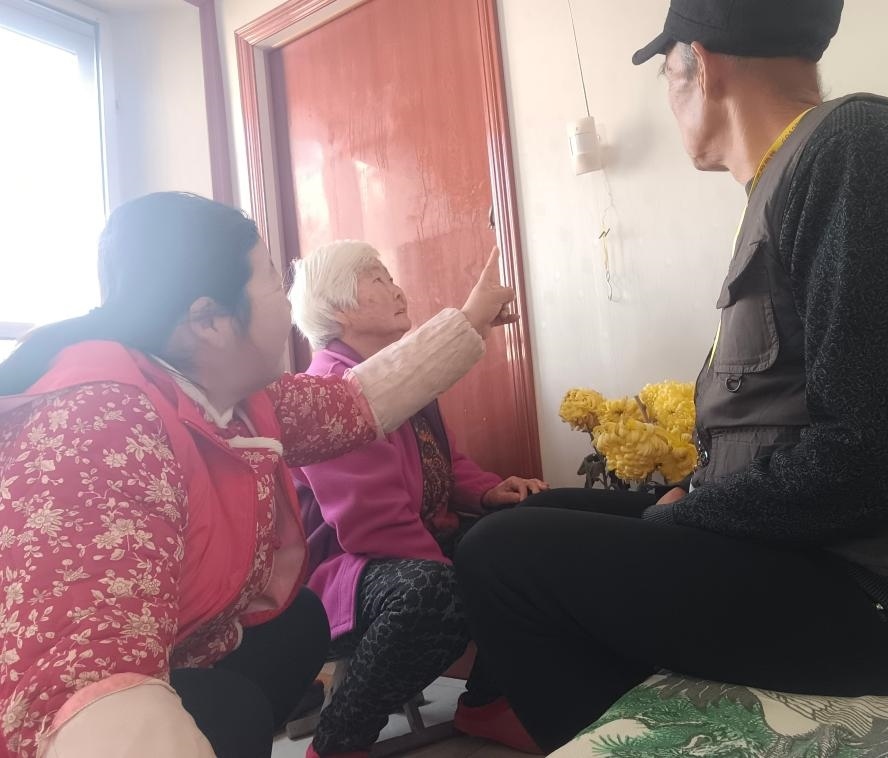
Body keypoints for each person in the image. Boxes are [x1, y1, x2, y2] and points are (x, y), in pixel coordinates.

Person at [454, 0, 888, 752]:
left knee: (502, 560)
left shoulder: (858, 151)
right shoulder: (803, 168)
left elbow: (869, 460)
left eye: (665, 72)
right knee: (537, 513)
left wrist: (686, 514)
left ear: (701, 65)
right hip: (836, 550)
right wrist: (691, 499)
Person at [0, 192, 516, 758]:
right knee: (232, 708)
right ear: (209, 319)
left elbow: (355, 403)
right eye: (273, 284)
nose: (288, 306)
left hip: (185, 641)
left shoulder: (230, 393)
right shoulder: (100, 421)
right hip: (71, 714)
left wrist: (471, 320)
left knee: (293, 625)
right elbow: (90, 685)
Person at [288, 241, 547, 757]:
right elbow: (371, 524)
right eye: (378, 280)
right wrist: (466, 577)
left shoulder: (400, 376)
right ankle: (338, 741)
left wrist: (488, 492)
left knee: (525, 539)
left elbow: (442, 462)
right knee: (437, 590)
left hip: (412, 546)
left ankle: (488, 701)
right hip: (345, 572)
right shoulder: (329, 391)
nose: (397, 289)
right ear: (338, 309)